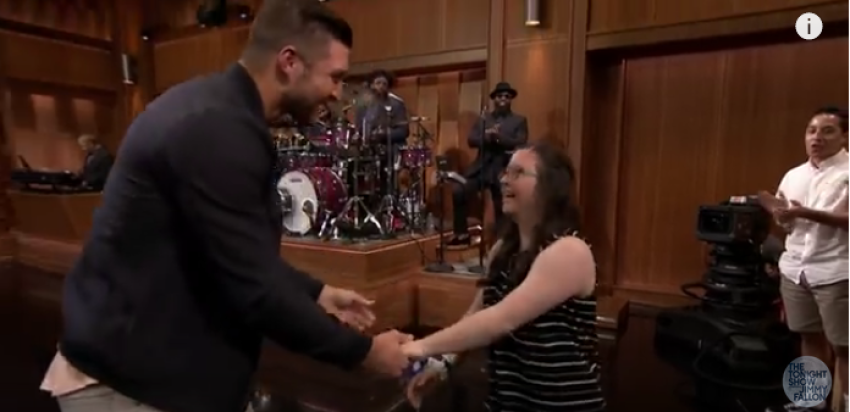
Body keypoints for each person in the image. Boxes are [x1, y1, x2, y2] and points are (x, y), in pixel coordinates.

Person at [40, 1, 412, 412]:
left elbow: (237, 252)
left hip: (152, 375)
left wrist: (317, 293)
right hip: (125, 387)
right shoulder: (217, 127)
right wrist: (364, 354)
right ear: (289, 62)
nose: (337, 92)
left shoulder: (224, 112)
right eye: (335, 77)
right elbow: (256, 288)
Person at [403, 141, 605, 412]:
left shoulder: (569, 251)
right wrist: (443, 364)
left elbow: (501, 320)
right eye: (505, 172)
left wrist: (419, 347)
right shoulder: (502, 249)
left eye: (517, 173)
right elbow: (478, 314)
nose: (503, 180)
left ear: (550, 186)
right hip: (507, 402)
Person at [761, 106, 848, 412]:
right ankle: (810, 401)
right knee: (808, 336)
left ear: (844, 136)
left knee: (844, 346)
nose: (817, 138)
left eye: (827, 131)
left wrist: (804, 212)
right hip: (796, 268)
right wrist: (781, 214)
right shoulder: (794, 175)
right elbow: (788, 222)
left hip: (837, 270)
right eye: (812, 131)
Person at [447, 82, 528, 249]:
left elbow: (521, 142)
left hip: (503, 168)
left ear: (511, 99)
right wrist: (487, 136)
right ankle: (461, 234)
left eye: (507, 96)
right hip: (482, 168)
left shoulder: (519, 120)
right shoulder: (485, 119)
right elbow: (471, 140)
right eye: (500, 96)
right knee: (458, 190)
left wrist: (499, 138)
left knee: (502, 205)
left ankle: (502, 242)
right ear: (494, 99)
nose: (503, 99)